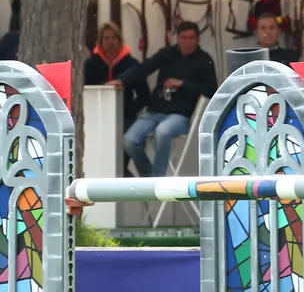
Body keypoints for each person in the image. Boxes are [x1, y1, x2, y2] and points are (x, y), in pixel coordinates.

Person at [112, 21, 217, 177]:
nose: (187, 42)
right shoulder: (166, 53)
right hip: (154, 111)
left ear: (198, 39)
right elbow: (144, 68)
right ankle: (149, 177)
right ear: (177, 38)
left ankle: (159, 179)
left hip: (180, 115)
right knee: (129, 140)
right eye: (183, 37)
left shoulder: (204, 59)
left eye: (191, 38)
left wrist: (182, 84)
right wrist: (122, 79)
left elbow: (211, 90)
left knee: (163, 131)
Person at [83, 22, 145, 127]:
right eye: (106, 38)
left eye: (114, 38)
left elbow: (144, 94)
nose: (110, 41)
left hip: (125, 118)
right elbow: (85, 90)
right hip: (98, 117)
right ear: (100, 42)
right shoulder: (91, 64)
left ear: (120, 41)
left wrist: (130, 110)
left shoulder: (131, 63)